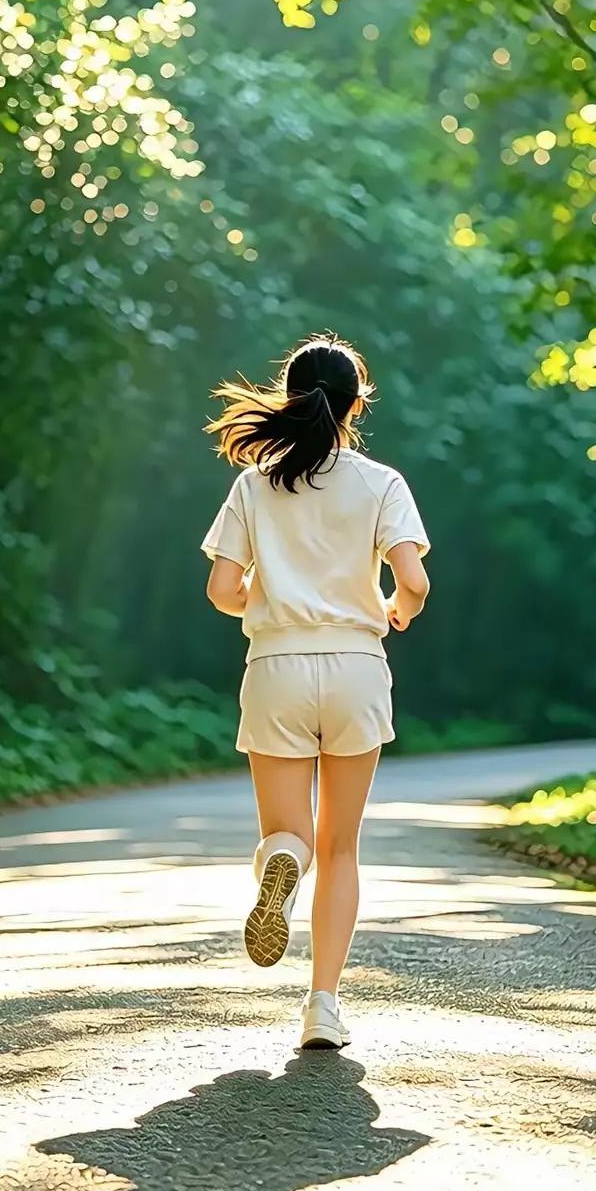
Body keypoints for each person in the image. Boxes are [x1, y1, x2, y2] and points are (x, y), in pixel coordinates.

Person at [201, 335, 430, 1050]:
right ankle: (322, 1008)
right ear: (356, 404)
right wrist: (398, 609)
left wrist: (267, 599)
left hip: (277, 667)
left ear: (290, 397)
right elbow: (415, 582)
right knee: (342, 848)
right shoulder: (381, 482)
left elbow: (221, 590)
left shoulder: (254, 484)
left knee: (291, 835)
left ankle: (281, 863)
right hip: (358, 665)